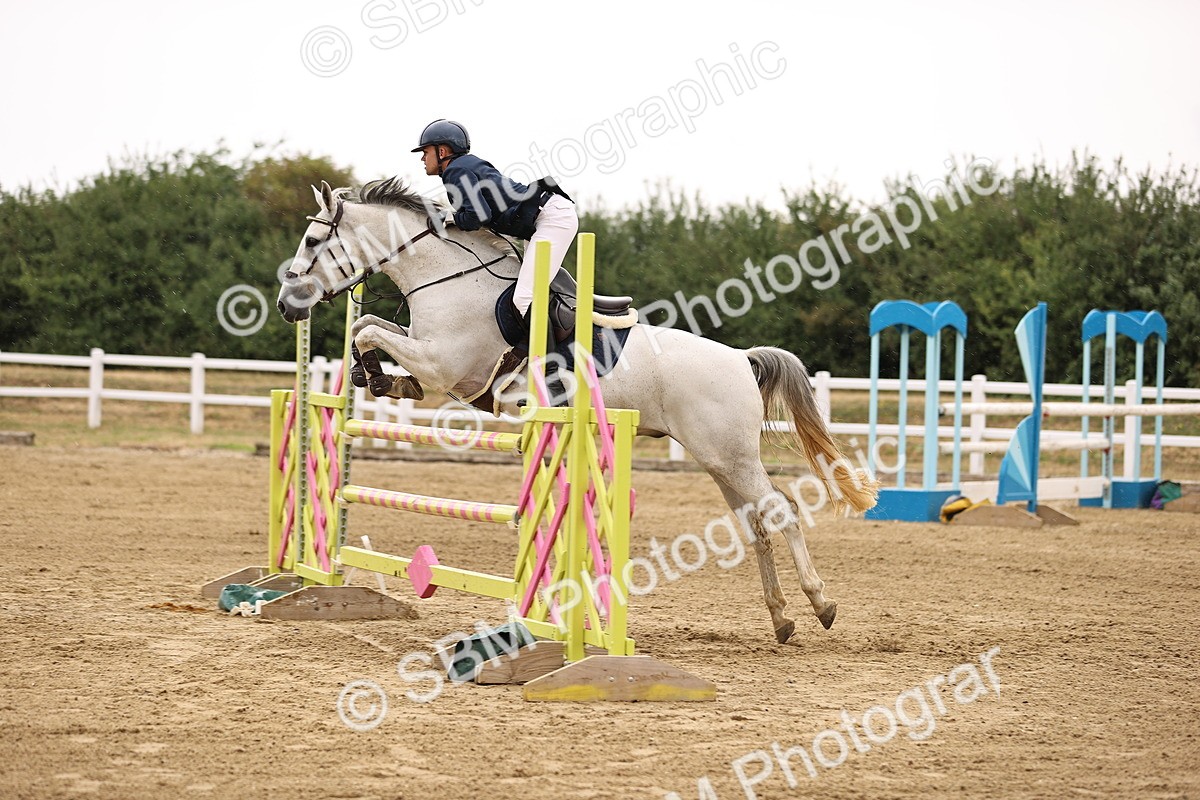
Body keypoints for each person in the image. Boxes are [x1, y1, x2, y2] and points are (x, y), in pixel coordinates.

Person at [413, 119, 578, 323]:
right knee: (522, 289)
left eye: (425, 152)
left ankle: (537, 354)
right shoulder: (466, 165)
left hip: (550, 218)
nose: (422, 158)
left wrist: (450, 218)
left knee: (522, 300)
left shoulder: (455, 171)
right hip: (543, 217)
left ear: (442, 152)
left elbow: (479, 216)